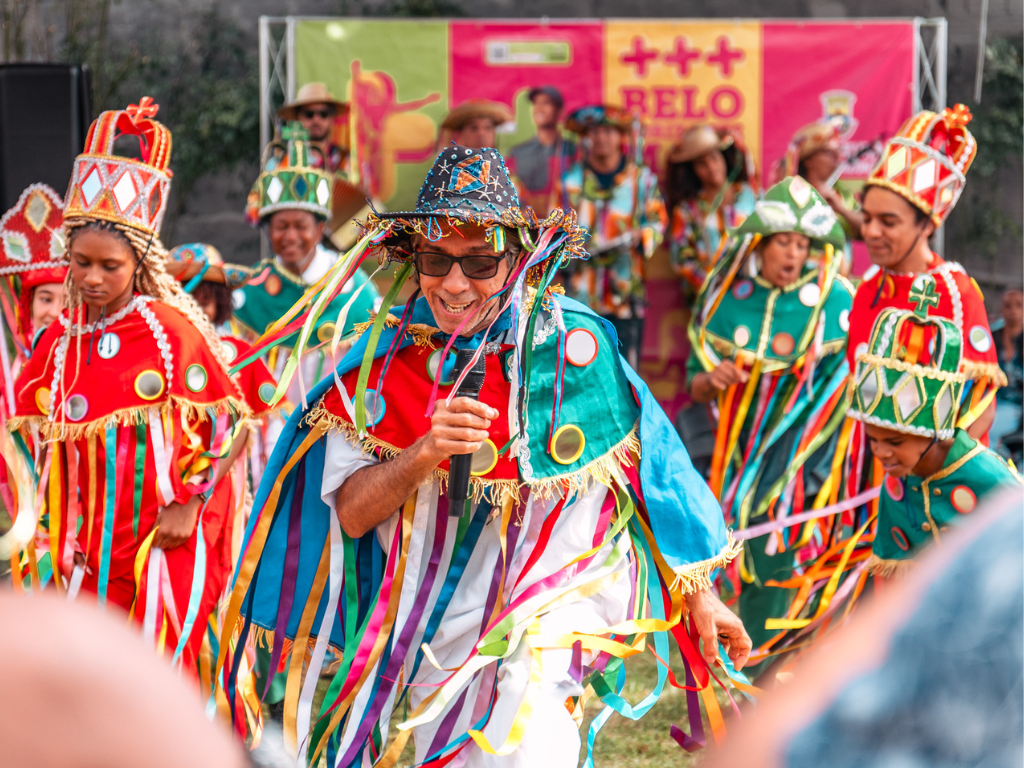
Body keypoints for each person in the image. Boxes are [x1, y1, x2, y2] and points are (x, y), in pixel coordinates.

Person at [216, 145, 751, 766]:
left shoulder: (573, 348)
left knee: (529, 731)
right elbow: (355, 515)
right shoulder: (377, 370)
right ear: (414, 260)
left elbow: (646, 475)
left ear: (519, 259)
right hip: (433, 621)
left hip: (555, 594)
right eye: (437, 259)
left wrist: (701, 597)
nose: (454, 282)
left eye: (480, 261)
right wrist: (425, 453)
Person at [7, 100, 250, 677]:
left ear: (137, 263)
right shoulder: (57, 342)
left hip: (158, 545)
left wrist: (189, 505)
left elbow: (233, 423)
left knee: (159, 677)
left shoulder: (170, 332)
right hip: (82, 553)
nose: (91, 278)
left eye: (109, 266)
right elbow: (26, 440)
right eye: (81, 262)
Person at [686, 176, 853, 672]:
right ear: (760, 243)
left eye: (803, 244)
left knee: (787, 542)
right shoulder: (724, 298)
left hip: (805, 457)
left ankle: (770, 671)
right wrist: (713, 379)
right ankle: (736, 663)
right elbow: (696, 384)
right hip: (732, 457)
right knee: (738, 544)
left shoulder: (832, 301)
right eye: (784, 241)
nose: (794, 254)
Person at [851, 105, 1003, 448]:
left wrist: (926, 465)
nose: (871, 231)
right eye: (867, 217)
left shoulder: (955, 291)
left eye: (888, 222)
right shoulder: (869, 288)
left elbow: (981, 406)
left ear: (926, 225)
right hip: (867, 474)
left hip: (933, 484)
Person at [847, 277, 1021, 574]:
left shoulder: (990, 477)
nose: (881, 453)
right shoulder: (897, 480)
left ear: (934, 430)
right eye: (874, 440)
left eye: (895, 442)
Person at [240, 128, 380, 404]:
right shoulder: (252, 289)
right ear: (269, 231)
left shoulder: (355, 288)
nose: (290, 237)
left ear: (319, 230)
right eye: (281, 227)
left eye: (300, 227)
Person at [555, 105, 667, 368]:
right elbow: (555, 228)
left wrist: (644, 236)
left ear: (621, 137)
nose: (601, 137)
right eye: (594, 131)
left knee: (625, 371)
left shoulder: (642, 182)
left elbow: (658, 221)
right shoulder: (569, 182)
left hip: (625, 296)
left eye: (608, 131)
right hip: (580, 297)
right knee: (580, 369)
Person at [664, 125, 757, 293]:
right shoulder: (687, 210)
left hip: (753, 292)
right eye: (701, 164)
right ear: (693, 171)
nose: (711, 167)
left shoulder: (750, 196)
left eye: (714, 158)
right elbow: (681, 260)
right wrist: (714, 284)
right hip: (710, 299)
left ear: (724, 158)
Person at [0, 183, 67, 353]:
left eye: (67, 302)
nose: (54, 312)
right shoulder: (12, 372)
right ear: (29, 305)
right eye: (46, 299)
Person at [784, 119, 863, 245]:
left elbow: (866, 229)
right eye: (829, 153)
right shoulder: (790, 190)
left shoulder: (841, 192)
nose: (837, 158)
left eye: (838, 152)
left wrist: (841, 209)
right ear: (809, 160)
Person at [507, 86, 574, 215]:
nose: (539, 108)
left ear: (560, 110)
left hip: (564, 227)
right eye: (536, 103)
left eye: (546, 103)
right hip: (527, 228)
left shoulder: (572, 151)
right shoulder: (518, 152)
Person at [277, 82, 348, 174]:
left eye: (323, 114)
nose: (316, 120)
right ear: (298, 117)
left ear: (331, 118)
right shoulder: (283, 162)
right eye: (309, 114)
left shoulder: (346, 162)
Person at [991, 288, 1023, 460]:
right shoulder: (991, 338)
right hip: (991, 402)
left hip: (1018, 408)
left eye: (1019, 305)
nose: (1013, 311)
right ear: (1001, 310)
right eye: (1007, 306)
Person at [440, 99, 514, 149]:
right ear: (462, 132)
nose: (481, 133)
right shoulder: (450, 168)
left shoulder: (505, 169)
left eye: (488, 127)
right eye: (473, 128)